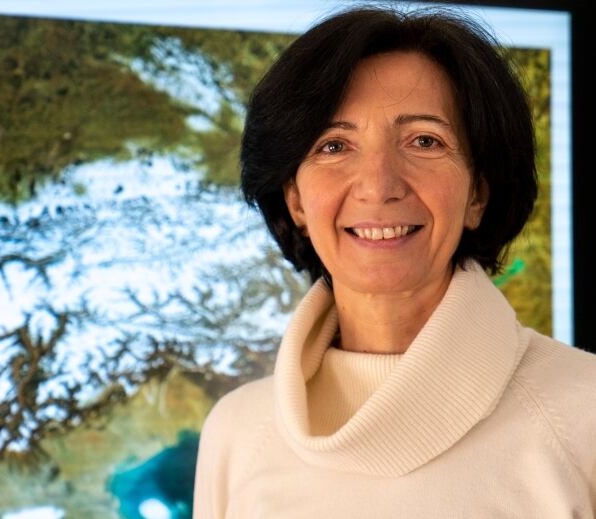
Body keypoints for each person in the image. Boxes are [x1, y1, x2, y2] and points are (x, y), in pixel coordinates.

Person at [193, 6, 596, 518]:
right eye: (334, 145)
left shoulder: (587, 413)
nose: (379, 185)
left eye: (424, 141)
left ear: (477, 193)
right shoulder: (236, 433)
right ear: (294, 200)